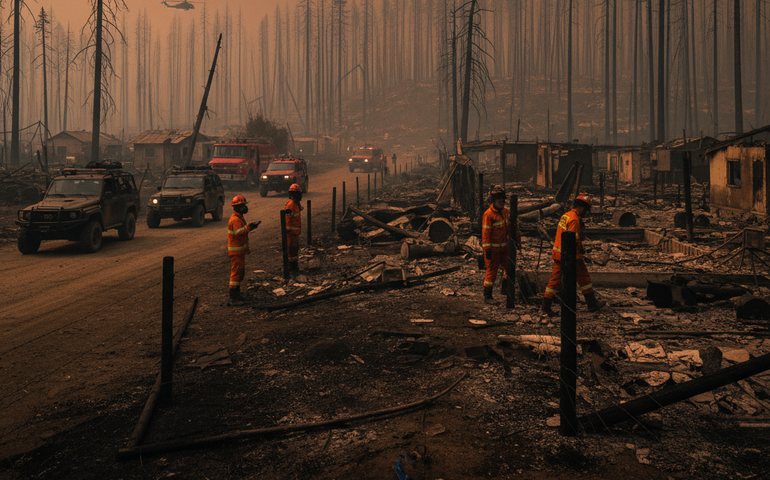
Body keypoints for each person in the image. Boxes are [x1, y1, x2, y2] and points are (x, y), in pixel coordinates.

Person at [542, 193, 606, 316]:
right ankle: (591, 304)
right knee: (581, 278)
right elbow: (573, 240)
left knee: (558, 280)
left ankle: (546, 306)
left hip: (559, 253)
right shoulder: (575, 220)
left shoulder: (566, 215)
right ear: (582, 207)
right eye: (586, 210)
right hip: (569, 255)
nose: (587, 213)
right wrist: (578, 253)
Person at [481, 185, 521, 305]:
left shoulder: (506, 212)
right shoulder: (488, 215)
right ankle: (487, 295)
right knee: (491, 271)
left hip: (505, 248)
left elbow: (514, 229)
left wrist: (518, 242)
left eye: (503, 199)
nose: (502, 201)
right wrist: (487, 249)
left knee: (508, 268)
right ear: (493, 200)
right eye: (499, 199)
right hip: (492, 250)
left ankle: (506, 290)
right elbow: (485, 234)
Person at [228, 195, 260, 306]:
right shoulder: (236, 219)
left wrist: (251, 227)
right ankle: (234, 298)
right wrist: (249, 227)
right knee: (236, 274)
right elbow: (238, 232)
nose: (245, 208)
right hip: (236, 251)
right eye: (243, 206)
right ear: (238, 207)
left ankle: (237, 294)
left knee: (239, 273)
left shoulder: (238, 217)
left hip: (239, 251)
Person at [284, 184, 303, 271]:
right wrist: (288, 232)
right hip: (291, 233)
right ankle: (292, 267)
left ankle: (294, 266)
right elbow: (287, 219)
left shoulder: (295, 204)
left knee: (295, 249)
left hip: (295, 233)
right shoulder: (291, 204)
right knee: (291, 250)